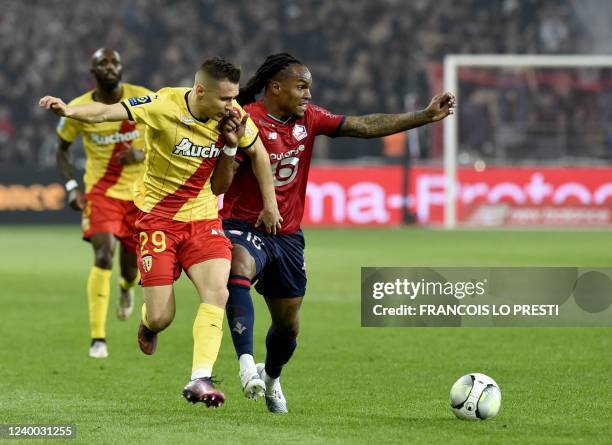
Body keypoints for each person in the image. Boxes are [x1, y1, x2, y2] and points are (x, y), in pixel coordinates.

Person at [220, 53, 456, 413]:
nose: (308, 95)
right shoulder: (244, 119)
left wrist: (422, 117)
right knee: (238, 268)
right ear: (276, 87)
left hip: (287, 236)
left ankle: (271, 378)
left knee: (288, 327)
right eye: (301, 87)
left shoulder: (310, 119)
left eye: (309, 88)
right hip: (243, 224)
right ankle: (246, 365)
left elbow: (363, 126)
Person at [40, 56, 281, 407]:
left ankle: (200, 378)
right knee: (161, 315)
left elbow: (256, 155)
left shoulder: (233, 119)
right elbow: (109, 113)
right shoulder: (163, 103)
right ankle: (148, 324)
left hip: (202, 220)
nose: (232, 106)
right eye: (224, 99)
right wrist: (70, 112)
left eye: (234, 97)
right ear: (200, 90)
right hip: (157, 220)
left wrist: (267, 201)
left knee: (217, 293)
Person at [55, 48, 151, 359]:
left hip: (140, 194)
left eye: (114, 62)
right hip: (101, 193)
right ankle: (98, 338)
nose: (110, 67)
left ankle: (126, 287)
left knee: (129, 266)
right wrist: (71, 186)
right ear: (92, 71)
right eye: (102, 63)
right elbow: (62, 149)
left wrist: (144, 154)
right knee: (103, 256)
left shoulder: (143, 99)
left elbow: (170, 134)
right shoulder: (80, 108)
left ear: (122, 68)